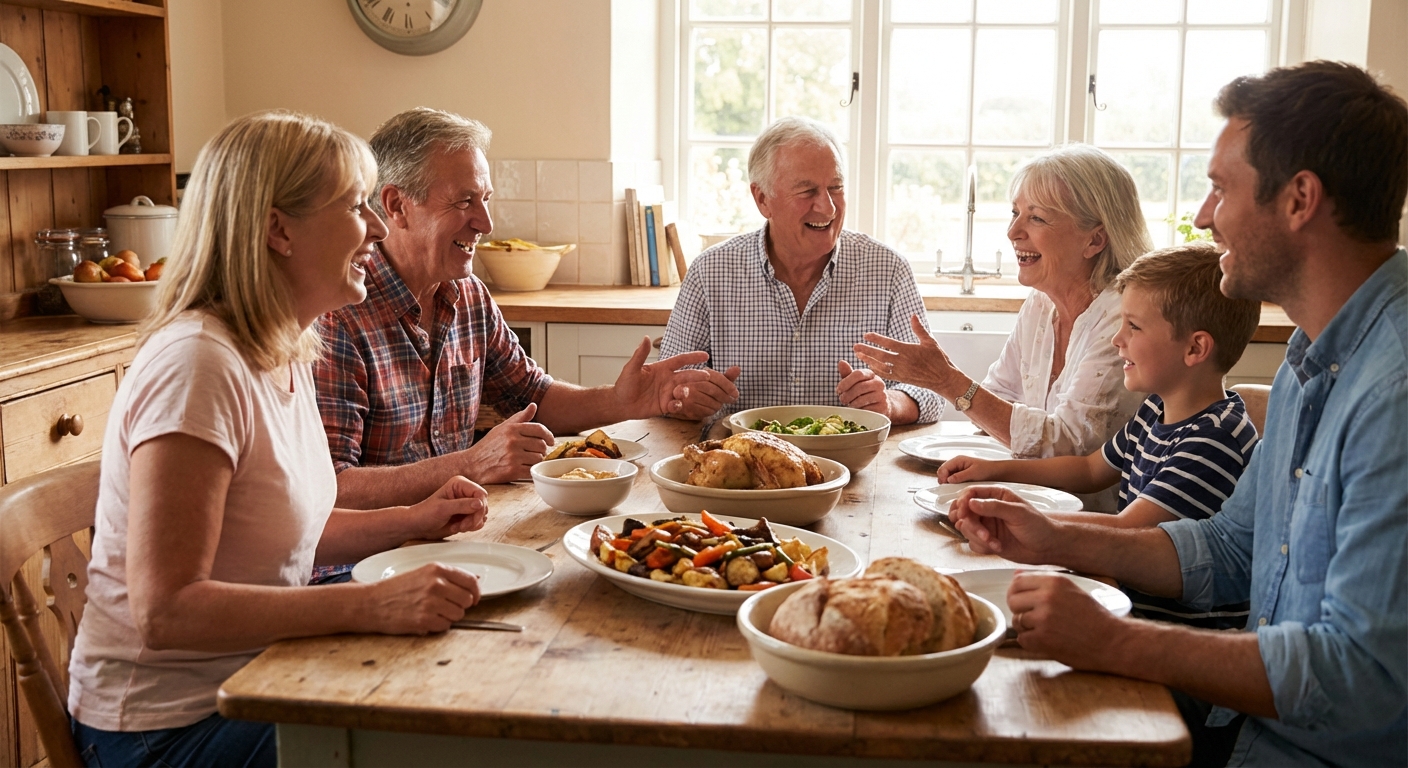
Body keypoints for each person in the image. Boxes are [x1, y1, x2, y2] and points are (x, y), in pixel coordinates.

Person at [948, 61, 1406, 767]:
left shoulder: (1394, 392)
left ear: (1299, 200)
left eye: (1221, 188)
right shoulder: (1308, 360)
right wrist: (1054, 536)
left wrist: (1117, 642)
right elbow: (1227, 549)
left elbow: (1364, 678)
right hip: (1246, 730)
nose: (1200, 216)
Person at [68, 111, 492, 768]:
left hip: (257, 678)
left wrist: (416, 519)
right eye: (356, 207)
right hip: (167, 727)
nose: (378, 229)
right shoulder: (197, 367)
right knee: (437, 738)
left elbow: (285, 531)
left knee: (461, 680)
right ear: (277, 229)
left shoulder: (286, 347)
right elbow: (167, 611)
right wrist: (370, 603)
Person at [314, 108, 729, 513]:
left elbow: (534, 397)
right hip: (362, 562)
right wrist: (471, 463)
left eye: (485, 199)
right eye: (464, 202)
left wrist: (624, 401)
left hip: (451, 533)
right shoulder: (337, 315)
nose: (486, 222)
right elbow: (330, 489)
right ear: (397, 205)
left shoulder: (468, 295)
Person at [940, 242, 1261, 628]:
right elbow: (1091, 469)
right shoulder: (1156, 408)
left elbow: (1132, 529)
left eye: (1134, 326)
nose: (1116, 339)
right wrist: (996, 470)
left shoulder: (1213, 438)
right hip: (1126, 604)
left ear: (1195, 348)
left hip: (1169, 637)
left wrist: (1028, 520)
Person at [856, 145, 1151, 507]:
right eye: (1015, 213)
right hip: (1033, 506)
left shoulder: (1123, 319)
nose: (1013, 231)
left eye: (1037, 218)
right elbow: (995, 403)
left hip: (1091, 525)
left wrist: (947, 380)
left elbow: (1071, 448)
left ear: (1094, 239)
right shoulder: (1042, 304)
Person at [658, 116, 942, 425]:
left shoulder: (888, 271)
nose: (828, 208)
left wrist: (890, 404)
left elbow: (932, 390)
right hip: (743, 463)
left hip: (852, 463)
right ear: (762, 199)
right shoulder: (711, 271)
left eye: (836, 188)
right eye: (807, 192)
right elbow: (667, 386)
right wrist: (685, 397)